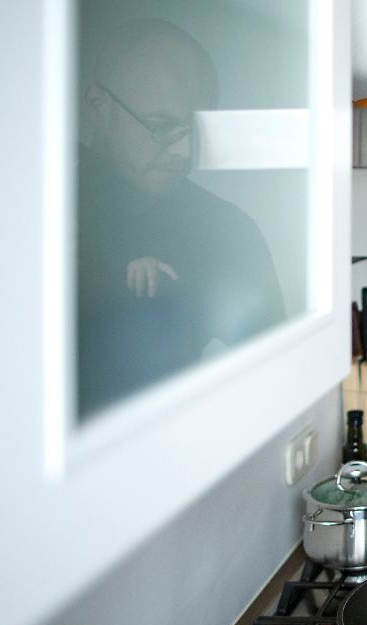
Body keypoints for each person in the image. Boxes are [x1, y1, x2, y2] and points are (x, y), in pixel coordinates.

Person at [77, 18, 286, 418]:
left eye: (197, 129)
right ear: (98, 106)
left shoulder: (229, 231)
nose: (184, 152)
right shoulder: (27, 211)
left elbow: (276, 387)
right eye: (161, 127)